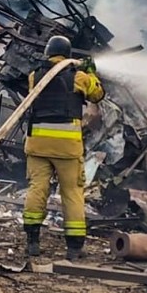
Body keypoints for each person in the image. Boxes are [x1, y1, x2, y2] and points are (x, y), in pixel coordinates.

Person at [22, 35, 105, 260]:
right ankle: (75, 248)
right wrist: (91, 73)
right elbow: (97, 94)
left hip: (37, 144)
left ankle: (32, 242)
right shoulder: (79, 77)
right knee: (72, 193)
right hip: (66, 147)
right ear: (68, 54)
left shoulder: (34, 76)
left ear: (48, 53)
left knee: (37, 188)